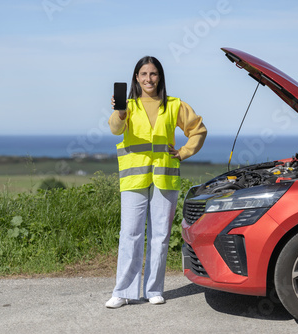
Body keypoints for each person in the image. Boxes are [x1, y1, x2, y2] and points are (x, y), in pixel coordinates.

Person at [105, 56, 207, 308]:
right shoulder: (127, 105)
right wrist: (120, 113)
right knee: (130, 233)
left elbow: (198, 129)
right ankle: (123, 291)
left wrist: (184, 152)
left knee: (160, 235)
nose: (148, 79)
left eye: (153, 74)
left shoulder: (174, 105)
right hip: (134, 176)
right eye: (143, 74)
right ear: (136, 78)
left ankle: (154, 290)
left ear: (159, 77)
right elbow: (115, 129)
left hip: (165, 175)